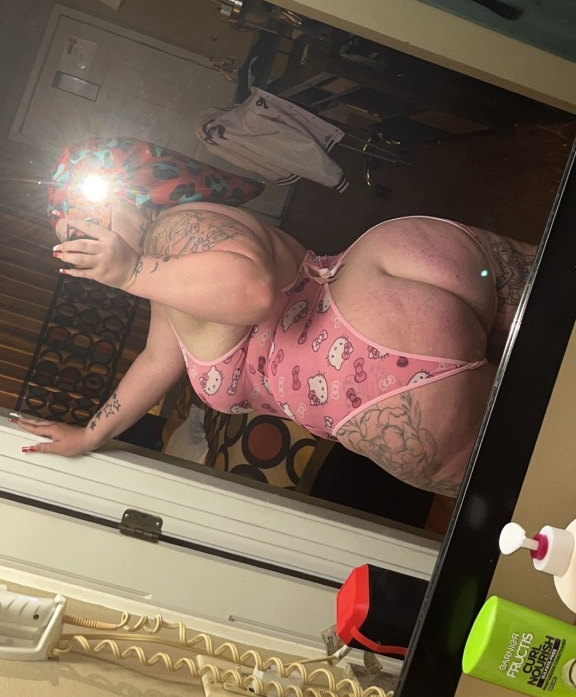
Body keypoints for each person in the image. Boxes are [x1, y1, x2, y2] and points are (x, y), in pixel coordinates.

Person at [14, 195, 536, 497]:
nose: (93, 231)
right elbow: (156, 360)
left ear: (126, 194)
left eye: (95, 214)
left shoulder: (169, 233)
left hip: (365, 371)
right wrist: (89, 434)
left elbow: (253, 291)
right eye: (76, 234)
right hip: (389, 267)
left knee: (545, 478)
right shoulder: (167, 282)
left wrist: (130, 271)